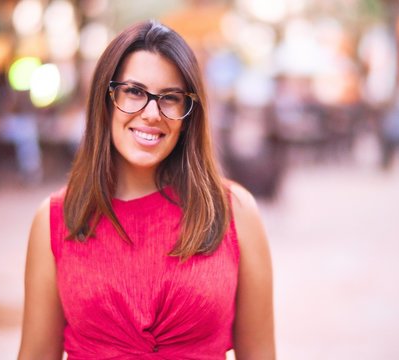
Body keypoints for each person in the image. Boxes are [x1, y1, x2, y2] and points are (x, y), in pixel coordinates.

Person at [18, 20, 275, 359]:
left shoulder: (234, 212)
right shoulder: (56, 219)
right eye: (135, 92)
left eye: (170, 98)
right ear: (106, 100)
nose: (151, 113)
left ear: (188, 114)